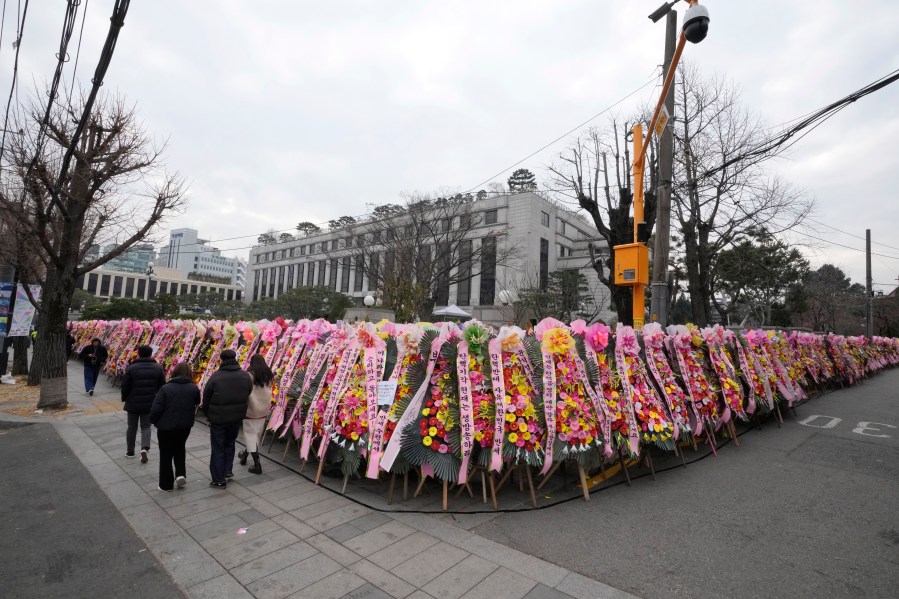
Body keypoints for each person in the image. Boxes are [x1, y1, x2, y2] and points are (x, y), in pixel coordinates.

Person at [202, 349, 252, 488]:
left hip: (218, 418)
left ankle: (218, 479)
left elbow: (206, 398)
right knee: (230, 443)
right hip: (236, 417)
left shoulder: (216, 377)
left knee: (218, 447)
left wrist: (208, 414)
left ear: (222, 360)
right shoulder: (244, 376)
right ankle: (227, 470)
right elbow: (248, 391)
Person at [149, 362, 200, 492]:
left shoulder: (165, 388)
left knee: (165, 453)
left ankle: (166, 485)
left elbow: (156, 408)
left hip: (166, 426)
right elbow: (197, 402)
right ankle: (180, 474)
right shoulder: (194, 388)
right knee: (179, 448)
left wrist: (153, 421)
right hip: (185, 426)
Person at [121, 345, 166, 462]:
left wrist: (125, 398)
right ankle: (144, 448)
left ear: (139, 354)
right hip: (150, 402)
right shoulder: (158, 368)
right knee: (146, 426)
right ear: (151, 354)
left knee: (132, 427)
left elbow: (125, 385)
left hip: (133, 402)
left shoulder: (132, 368)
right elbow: (162, 386)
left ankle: (130, 451)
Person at [238, 354, 273, 475]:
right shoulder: (269, 375)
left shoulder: (248, 375)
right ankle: (244, 456)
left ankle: (257, 464)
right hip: (263, 409)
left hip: (251, 409)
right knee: (254, 435)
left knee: (250, 435)